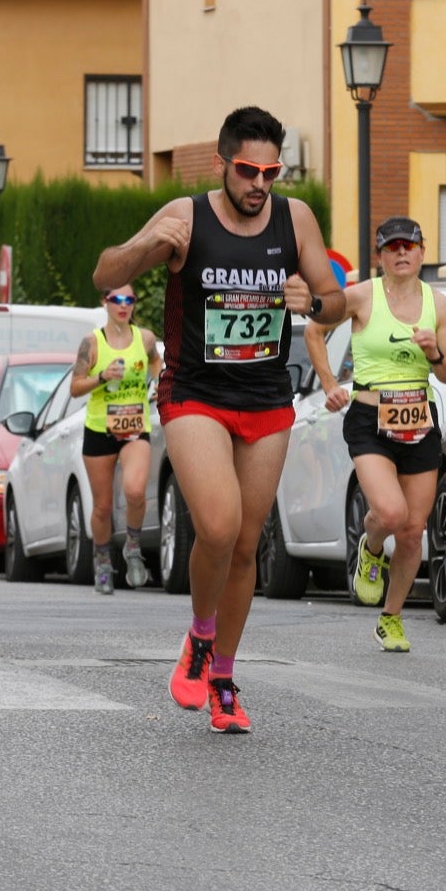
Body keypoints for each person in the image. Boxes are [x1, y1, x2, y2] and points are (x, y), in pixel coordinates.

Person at [93, 105, 346, 734]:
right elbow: (105, 273)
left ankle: (224, 680)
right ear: (222, 164)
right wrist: (150, 247)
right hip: (195, 394)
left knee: (243, 545)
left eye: (270, 171)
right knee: (218, 522)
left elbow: (336, 299)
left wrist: (312, 301)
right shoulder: (186, 215)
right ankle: (199, 638)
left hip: (266, 396)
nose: (260, 183)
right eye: (247, 170)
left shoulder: (296, 218)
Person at [305, 217, 446, 652]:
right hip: (369, 418)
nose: (401, 253)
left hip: (419, 418)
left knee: (413, 531)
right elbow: (314, 331)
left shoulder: (440, 305)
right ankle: (371, 550)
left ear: (422, 251)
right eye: (392, 248)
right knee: (390, 514)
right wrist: (330, 385)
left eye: (408, 246)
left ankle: (390, 618)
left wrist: (434, 352)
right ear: (380, 256)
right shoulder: (360, 296)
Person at [69, 285, 162, 594]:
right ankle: (102, 560)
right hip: (100, 429)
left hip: (135, 424)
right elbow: (75, 387)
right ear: (104, 303)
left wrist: (158, 383)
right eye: (117, 300)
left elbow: (155, 362)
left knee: (136, 491)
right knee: (102, 507)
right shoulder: (92, 343)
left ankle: (133, 547)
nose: (123, 306)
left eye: (130, 300)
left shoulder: (145, 339)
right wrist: (102, 377)